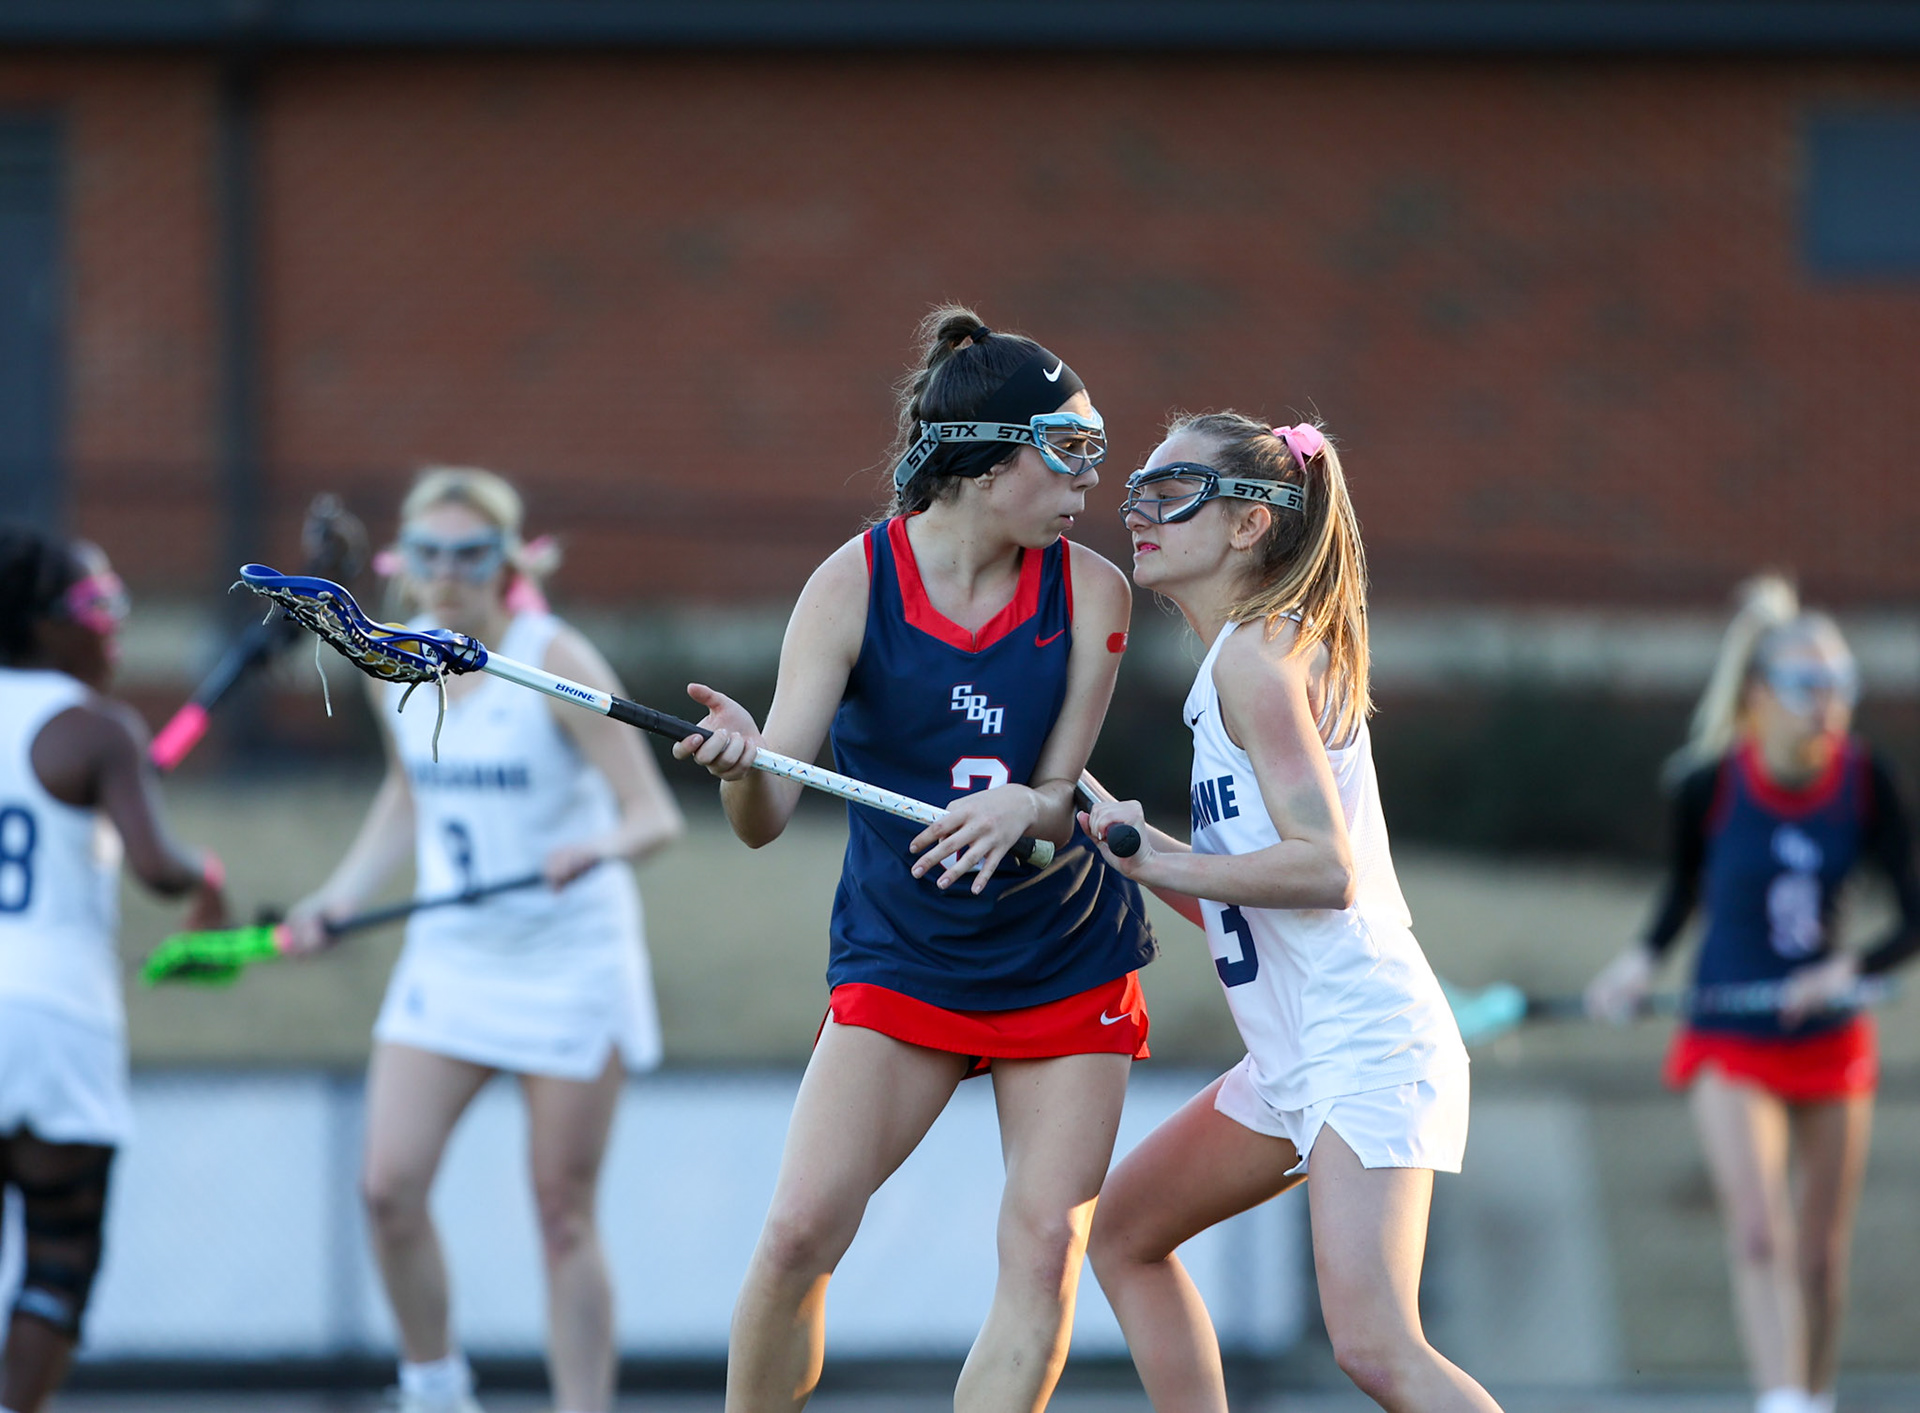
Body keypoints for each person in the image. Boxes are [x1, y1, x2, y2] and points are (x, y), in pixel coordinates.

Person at [676, 308, 1156, 1413]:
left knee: (1042, 1253)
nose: (1093, 478)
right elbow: (768, 815)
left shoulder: (1092, 593)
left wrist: (1029, 812)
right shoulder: (850, 587)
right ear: (988, 460)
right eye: (1069, 449)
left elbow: (1057, 793)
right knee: (799, 1232)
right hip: (904, 956)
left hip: (1062, 957)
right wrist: (743, 766)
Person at [1078, 413, 1500, 1413]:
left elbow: (1323, 872)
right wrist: (1142, 855)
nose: (1141, 510)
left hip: (1364, 1039)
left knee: (1378, 1348)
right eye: (1140, 484)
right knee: (1127, 1234)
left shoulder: (1256, 663)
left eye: (1175, 490)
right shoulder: (1243, 657)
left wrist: (1162, 855)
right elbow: (1254, 910)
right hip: (1295, 1056)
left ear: (1247, 527)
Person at [283, 469, 685, 1413]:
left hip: (568, 964)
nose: (449, 571)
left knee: (560, 1215)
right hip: (453, 962)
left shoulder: (554, 658)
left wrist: (596, 847)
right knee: (387, 1188)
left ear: (509, 561)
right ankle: (435, 1389)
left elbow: (652, 817)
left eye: (470, 553)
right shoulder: (395, 665)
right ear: (403, 564)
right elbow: (406, 796)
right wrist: (337, 898)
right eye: (429, 553)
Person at [1586, 576, 1919, 1413]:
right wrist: (1636, 965)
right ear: (1762, 693)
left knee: (1819, 1255)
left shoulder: (1867, 779)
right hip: (1730, 1031)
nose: (1830, 704)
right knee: (1761, 1231)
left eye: (1843, 685)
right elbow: (1681, 896)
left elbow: (1914, 910)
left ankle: (1815, 1394)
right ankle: (1781, 1400)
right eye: (1811, 686)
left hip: (1830, 1034)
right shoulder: (1710, 784)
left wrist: (1846, 969)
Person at [0, 526, 230, 1413]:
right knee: (58, 1257)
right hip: (59, 1021)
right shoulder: (97, 729)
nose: (116, 624)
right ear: (40, 623)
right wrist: (207, 871)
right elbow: (159, 868)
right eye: (98, 606)